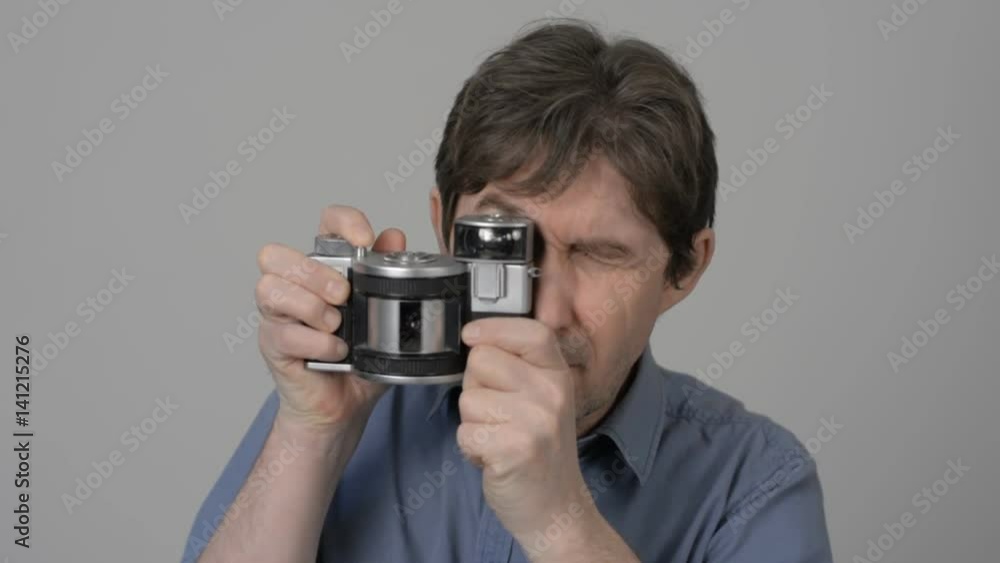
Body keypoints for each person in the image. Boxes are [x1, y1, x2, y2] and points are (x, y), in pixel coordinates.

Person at [183, 19, 833, 563]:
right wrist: (312, 435)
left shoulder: (755, 482)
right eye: (501, 244)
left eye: (600, 254)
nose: (542, 313)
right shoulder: (346, 403)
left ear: (685, 269)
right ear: (445, 228)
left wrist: (560, 521)